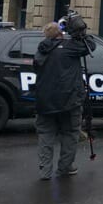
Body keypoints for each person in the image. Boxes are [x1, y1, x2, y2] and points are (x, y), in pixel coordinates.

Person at [33, 21, 94, 179]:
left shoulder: (41, 50)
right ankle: (65, 167)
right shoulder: (68, 47)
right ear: (60, 34)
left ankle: (44, 171)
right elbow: (90, 46)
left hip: (45, 100)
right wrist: (79, 32)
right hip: (69, 100)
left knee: (46, 135)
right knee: (70, 133)